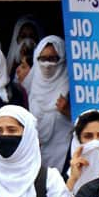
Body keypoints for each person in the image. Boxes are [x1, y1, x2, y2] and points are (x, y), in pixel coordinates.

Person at [27, 36, 72, 172]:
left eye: (53, 59)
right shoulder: (28, 85)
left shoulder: (74, 89)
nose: (47, 64)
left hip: (65, 161)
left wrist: (68, 112)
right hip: (33, 160)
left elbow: (87, 124)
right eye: (43, 58)